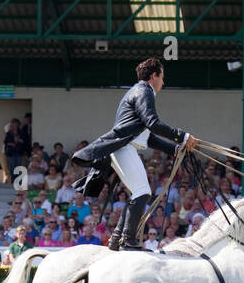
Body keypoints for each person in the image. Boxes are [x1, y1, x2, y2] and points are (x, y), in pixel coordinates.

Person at [69, 58, 199, 250]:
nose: (163, 81)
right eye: (162, 77)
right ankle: (127, 240)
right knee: (143, 192)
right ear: (153, 76)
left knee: (139, 192)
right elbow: (153, 123)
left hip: (125, 147)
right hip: (124, 148)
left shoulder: (139, 92)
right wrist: (183, 136)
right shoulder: (144, 91)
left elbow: (147, 136)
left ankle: (117, 239)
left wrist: (173, 149)